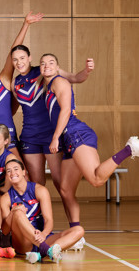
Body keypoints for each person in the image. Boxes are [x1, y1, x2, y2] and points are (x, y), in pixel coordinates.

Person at [41, 54, 139, 225]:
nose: (46, 66)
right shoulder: (52, 81)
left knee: (96, 179)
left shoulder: (59, 82)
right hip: (69, 139)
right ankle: (76, 233)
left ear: (58, 67)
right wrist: (86, 71)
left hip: (75, 133)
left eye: (51, 63)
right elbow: (76, 77)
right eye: (43, 63)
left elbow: (65, 110)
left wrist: (55, 138)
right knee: (65, 190)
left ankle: (129, 149)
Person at [11, 43, 93, 209]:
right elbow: (11, 109)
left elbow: (76, 78)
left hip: (50, 134)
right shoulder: (15, 83)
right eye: (15, 60)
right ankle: (39, 225)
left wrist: (87, 71)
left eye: (22, 58)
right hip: (29, 137)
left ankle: (74, 226)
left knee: (60, 184)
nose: (19, 62)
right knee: (36, 184)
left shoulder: (44, 70)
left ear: (29, 58)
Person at [0, 12, 43, 156]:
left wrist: (26, 24)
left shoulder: (3, 81)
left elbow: (13, 51)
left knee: (19, 172)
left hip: (8, 136)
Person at [0, 159, 85, 263]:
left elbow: (48, 220)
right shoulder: (5, 198)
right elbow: (4, 231)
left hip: (41, 237)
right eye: (8, 171)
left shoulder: (40, 190)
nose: (12, 173)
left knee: (79, 230)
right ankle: (46, 250)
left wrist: (43, 234)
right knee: (18, 213)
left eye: (16, 169)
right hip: (23, 243)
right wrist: (13, 212)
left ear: (23, 172)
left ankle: (41, 254)